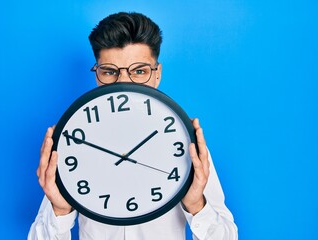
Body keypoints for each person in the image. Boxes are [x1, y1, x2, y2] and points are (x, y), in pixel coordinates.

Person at [28, 12, 238, 240]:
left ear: (157, 75)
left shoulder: (184, 141)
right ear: (98, 75)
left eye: (139, 71)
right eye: (110, 71)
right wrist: (60, 211)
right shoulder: (75, 140)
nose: (125, 83)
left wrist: (197, 205)